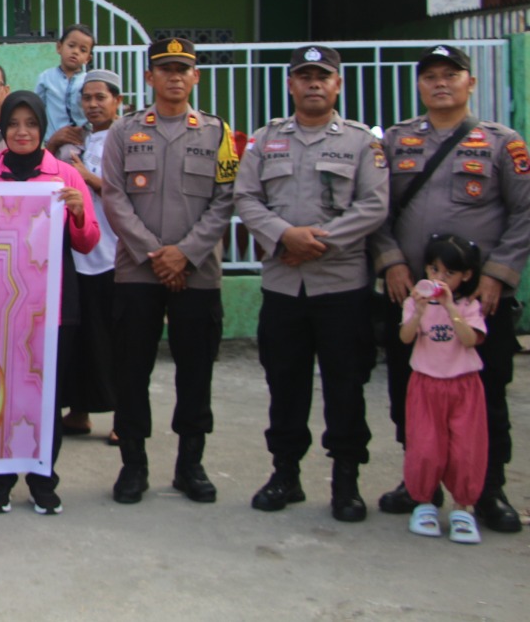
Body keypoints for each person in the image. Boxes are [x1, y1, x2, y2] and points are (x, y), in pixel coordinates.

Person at [369, 44, 530, 534]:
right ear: (419, 85)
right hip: (412, 300)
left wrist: (496, 275)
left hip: (477, 301)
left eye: (451, 75)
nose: (441, 83)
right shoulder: (395, 143)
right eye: (431, 76)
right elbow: (375, 209)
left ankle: (488, 489)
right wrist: (392, 263)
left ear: (470, 83)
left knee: (485, 397)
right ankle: (420, 484)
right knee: (408, 396)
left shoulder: (502, 144)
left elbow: (524, 213)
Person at [232, 46, 388, 522]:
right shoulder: (265, 140)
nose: (314, 83)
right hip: (284, 287)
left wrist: (315, 242)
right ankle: (285, 474)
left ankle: (345, 480)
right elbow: (246, 196)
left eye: (323, 76)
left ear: (337, 85)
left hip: (341, 287)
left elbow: (374, 205)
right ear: (290, 84)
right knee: (285, 384)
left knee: (345, 384)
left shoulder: (363, 143)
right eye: (304, 76)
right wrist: (284, 237)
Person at [100, 37, 237, 506]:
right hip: (138, 271)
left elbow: (225, 200)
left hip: (197, 274)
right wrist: (156, 254)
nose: (175, 76)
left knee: (196, 371)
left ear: (196, 76)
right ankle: (133, 465)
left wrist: (186, 254)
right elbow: (114, 197)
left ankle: (189, 464)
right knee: (131, 369)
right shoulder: (124, 131)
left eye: (183, 69)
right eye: (165, 69)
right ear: (149, 77)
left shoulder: (218, 134)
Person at [0, 91, 99, 516]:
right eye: (13, 124)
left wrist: (79, 213)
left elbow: (87, 241)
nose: (22, 132)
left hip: (54, 304)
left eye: (31, 124)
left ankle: (44, 480)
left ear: (43, 128)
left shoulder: (64, 176)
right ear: (3, 128)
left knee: (47, 395)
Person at [399, 235, 489, 544]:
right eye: (434, 270)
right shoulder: (414, 302)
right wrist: (420, 312)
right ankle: (424, 503)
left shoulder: (469, 305)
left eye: (448, 273)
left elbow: (469, 339)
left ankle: (463, 507)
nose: (439, 278)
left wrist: (451, 307)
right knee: (425, 447)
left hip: (464, 386)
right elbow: (406, 338)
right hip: (425, 384)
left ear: (465, 275)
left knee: (465, 449)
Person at [47, 69, 122, 439]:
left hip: (113, 253)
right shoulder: (73, 140)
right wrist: (52, 143)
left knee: (116, 340)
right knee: (79, 341)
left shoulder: (126, 140)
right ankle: (79, 412)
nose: (92, 105)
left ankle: (124, 419)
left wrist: (84, 177)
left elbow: (131, 194)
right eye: (87, 98)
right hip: (76, 256)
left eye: (100, 98)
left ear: (117, 101)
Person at [35, 24, 94, 140]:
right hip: (54, 139)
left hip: (83, 140)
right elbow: (37, 108)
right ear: (59, 47)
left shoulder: (88, 81)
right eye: (71, 46)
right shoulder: (46, 77)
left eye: (83, 50)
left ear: (87, 58)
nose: (75, 52)